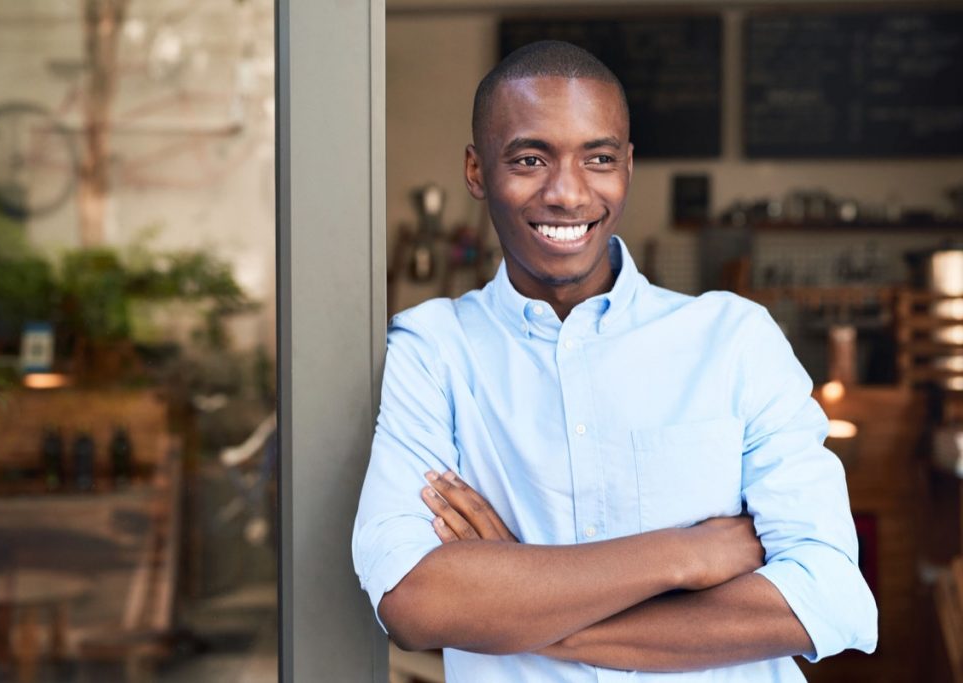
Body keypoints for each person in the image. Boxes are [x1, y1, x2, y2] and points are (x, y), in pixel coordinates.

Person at [353, 40, 877, 681]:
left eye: (598, 158)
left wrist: (518, 603)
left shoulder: (736, 339)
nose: (568, 194)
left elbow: (824, 600)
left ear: (627, 167)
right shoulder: (432, 349)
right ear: (476, 171)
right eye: (528, 159)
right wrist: (683, 556)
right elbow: (415, 600)